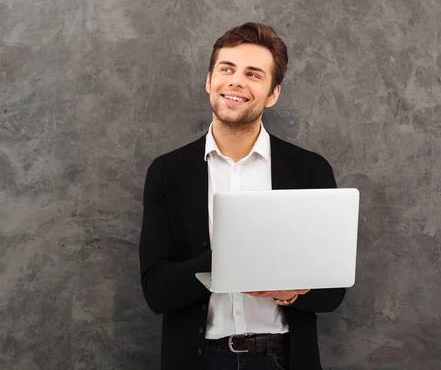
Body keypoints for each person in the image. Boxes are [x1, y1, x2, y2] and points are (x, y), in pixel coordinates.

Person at [139, 22, 346, 370]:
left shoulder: (310, 170)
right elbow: (156, 292)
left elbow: (333, 293)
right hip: (198, 360)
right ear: (209, 81)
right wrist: (229, 259)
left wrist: (291, 293)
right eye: (227, 69)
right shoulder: (166, 172)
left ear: (272, 94)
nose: (236, 81)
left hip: (284, 359)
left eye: (253, 74)